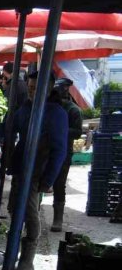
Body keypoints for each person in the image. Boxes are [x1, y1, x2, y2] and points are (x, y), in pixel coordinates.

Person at [8, 69, 68, 270]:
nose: (32, 92)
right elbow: (13, 126)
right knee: (14, 209)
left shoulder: (55, 112)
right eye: (30, 88)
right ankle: (11, 253)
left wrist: (48, 180)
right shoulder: (26, 107)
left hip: (37, 171)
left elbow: (60, 149)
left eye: (36, 88)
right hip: (20, 168)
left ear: (49, 88)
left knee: (30, 214)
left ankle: (27, 260)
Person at [50, 78, 84, 232]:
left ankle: (58, 218)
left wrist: (61, 130)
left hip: (63, 151)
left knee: (59, 184)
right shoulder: (49, 107)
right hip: (46, 149)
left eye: (62, 89)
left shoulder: (73, 110)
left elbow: (77, 132)